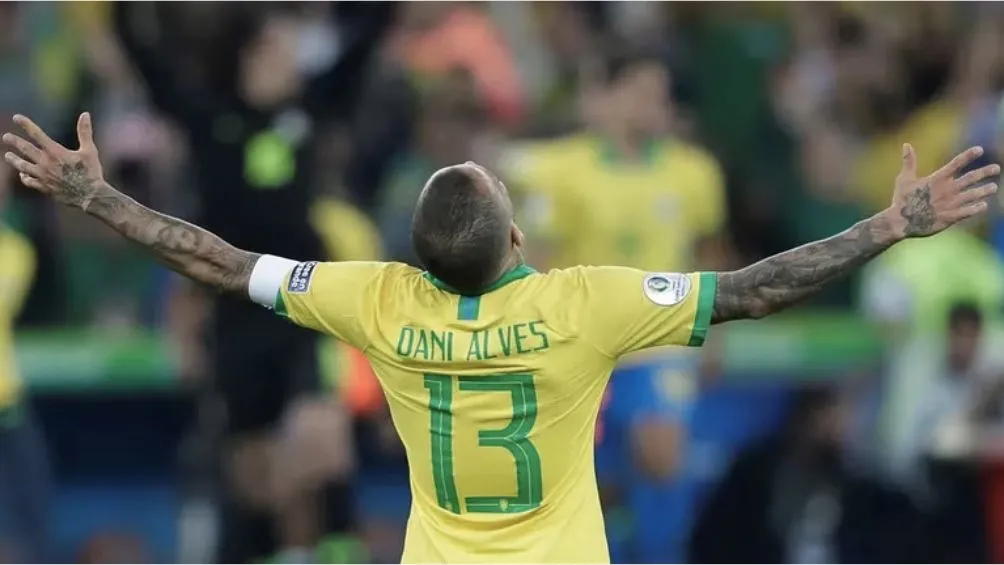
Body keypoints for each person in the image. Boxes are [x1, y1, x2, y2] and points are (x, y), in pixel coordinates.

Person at [3, 111, 1000, 562]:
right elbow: (754, 289)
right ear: (517, 236)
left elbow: (217, 261)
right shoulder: (583, 305)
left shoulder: (379, 301)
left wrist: (99, 198)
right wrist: (886, 226)